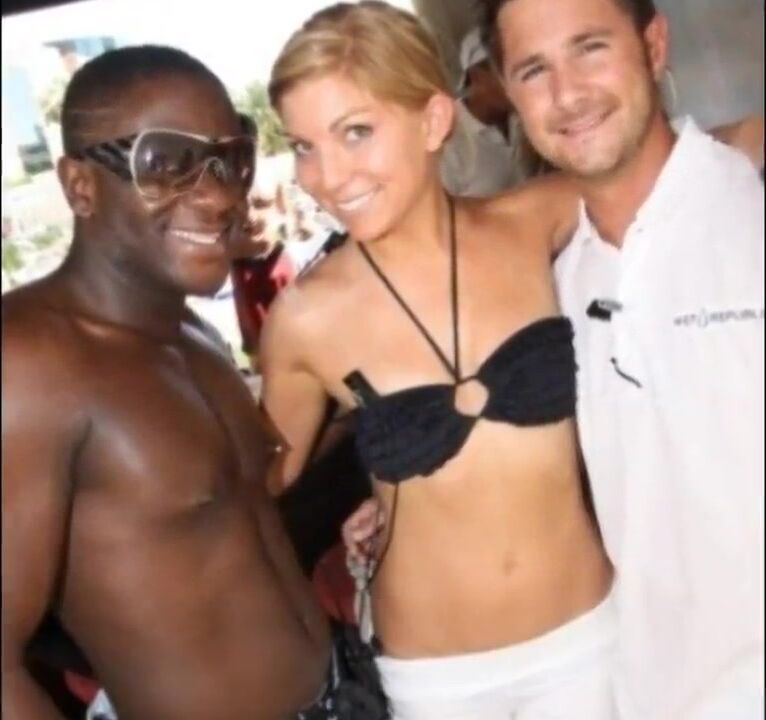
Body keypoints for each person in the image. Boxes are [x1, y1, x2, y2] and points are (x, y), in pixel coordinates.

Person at [261, 3, 617, 719]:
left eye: (355, 132)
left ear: (432, 121)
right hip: (438, 679)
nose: (327, 177)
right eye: (303, 146)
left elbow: (680, 170)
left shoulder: (535, 221)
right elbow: (258, 481)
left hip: (586, 642)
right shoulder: (305, 318)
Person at [1, 45, 336, 720]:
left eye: (232, 159)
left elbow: (230, 505)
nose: (219, 195)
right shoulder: (29, 360)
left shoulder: (188, 332)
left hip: (339, 693)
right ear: (80, 185)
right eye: (165, 163)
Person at [479, 0, 764, 718]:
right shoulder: (540, 285)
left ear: (654, 46)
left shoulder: (750, 204)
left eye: (591, 48)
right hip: (649, 692)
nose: (568, 94)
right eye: (534, 70)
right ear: (510, 94)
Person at [440, 27, 531, 196]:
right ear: (476, 75)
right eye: (503, 72)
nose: (517, 82)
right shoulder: (449, 143)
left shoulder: (525, 119)